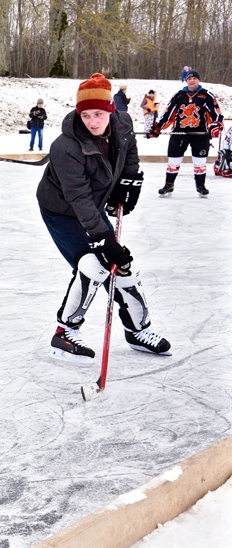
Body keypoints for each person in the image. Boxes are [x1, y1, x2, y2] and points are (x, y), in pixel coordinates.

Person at [37, 73, 171, 364]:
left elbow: (129, 151)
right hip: (61, 210)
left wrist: (129, 181)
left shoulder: (123, 124)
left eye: (98, 114)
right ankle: (65, 332)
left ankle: (137, 330)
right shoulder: (65, 147)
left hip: (92, 205)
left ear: (110, 110)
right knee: (93, 264)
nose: (92, 121)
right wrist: (105, 239)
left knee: (121, 266)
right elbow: (78, 198)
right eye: (85, 115)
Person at [148, 69, 223, 198]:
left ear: (198, 80)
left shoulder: (206, 95)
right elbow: (168, 113)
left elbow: (216, 113)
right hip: (179, 133)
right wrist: (158, 128)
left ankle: (201, 185)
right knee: (173, 160)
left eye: (194, 78)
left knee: (199, 161)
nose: (192, 81)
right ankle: (168, 184)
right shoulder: (179, 95)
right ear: (186, 80)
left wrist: (216, 125)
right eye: (189, 79)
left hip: (200, 134)